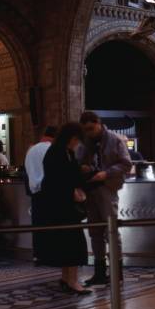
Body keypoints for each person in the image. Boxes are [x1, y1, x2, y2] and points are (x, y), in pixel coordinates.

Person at [79, 111, 132, 286]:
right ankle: (99, 273)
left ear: (99, 123)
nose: (89, 132)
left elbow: (126, 164)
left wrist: (106, 173)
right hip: (91, 188)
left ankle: (117, 274)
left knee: (111, 232)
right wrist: (84, 168)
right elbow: (80, 161)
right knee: (94, 232)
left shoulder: (115, 140)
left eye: (91, 128)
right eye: (85, 129)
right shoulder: (85, 142)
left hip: (107, 188)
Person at [40, 122, 91, 295]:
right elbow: (55, 180)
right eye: (77, 140)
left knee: (69, 243)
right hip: (63, 207)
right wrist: (71, 191)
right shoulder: (57, 153)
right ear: (72, 138)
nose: (77, 144)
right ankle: (72, 281)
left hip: (63, 206)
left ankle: (66, 279)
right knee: (73, 244)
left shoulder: (64, 152)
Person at [24, 125, 57, 262]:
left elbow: (26, 172)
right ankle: (51, 255)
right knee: (51, 225)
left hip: (35, 193)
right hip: (50, 192)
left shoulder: (31, 150)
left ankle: (38, 255)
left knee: (38, 225)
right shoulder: (52, 149)